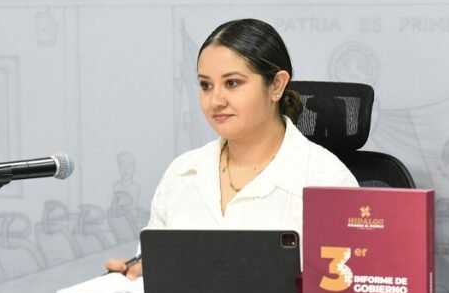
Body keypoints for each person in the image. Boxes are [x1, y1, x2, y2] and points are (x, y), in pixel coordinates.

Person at [106, 18, 358, 278]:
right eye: (206, 85)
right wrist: (137, 276)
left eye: (232, 83)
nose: (215, 101)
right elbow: (155, 274)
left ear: (276, 86)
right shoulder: (181, 173)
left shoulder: (329, 182)